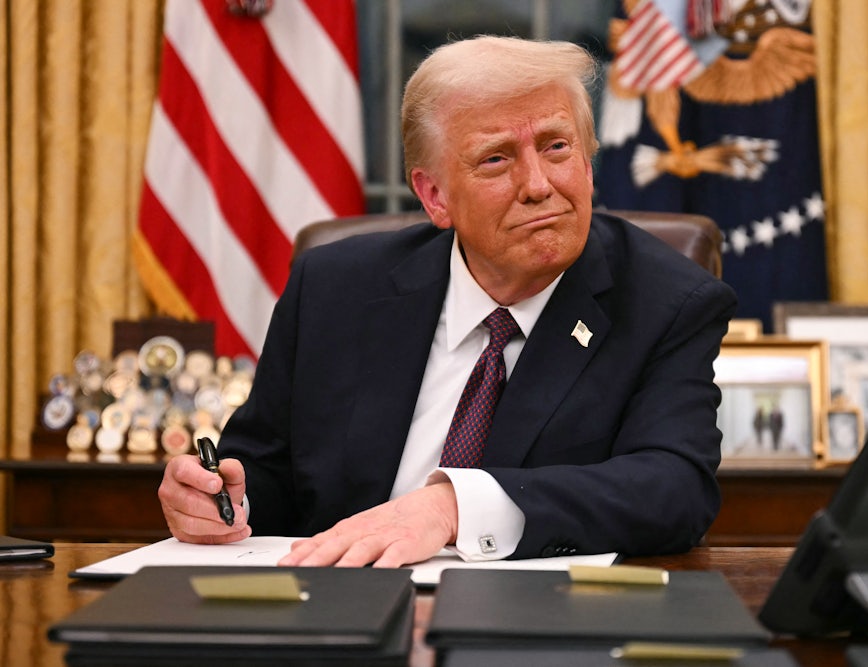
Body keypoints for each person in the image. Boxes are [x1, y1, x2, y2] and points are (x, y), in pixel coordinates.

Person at [157, 35, 738, 567]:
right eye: (497, 159)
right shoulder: (334, 289)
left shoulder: (667, 302)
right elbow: (263, 471)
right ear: (435, 196)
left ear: (588, 163)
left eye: (557, 147)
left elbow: (675, 488)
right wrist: (220, 501)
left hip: (539, 629)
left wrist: (454, 507)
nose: (539, 184)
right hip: (339, 614)